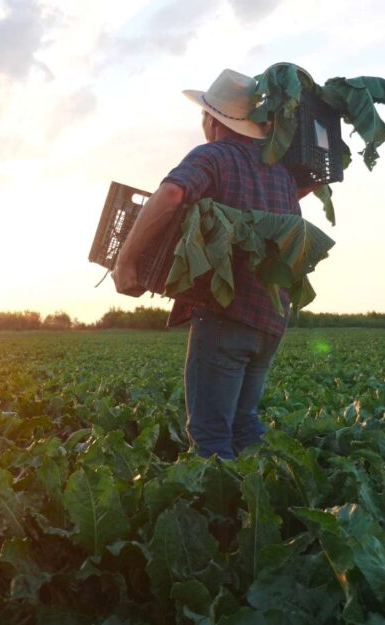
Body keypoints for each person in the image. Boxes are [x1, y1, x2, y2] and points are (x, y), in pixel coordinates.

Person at [112, 68, 306, 460]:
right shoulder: (280, 174)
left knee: (210, 435)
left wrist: (125, 262)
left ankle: (224, 518)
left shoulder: (214, 155)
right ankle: (261, 509)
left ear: (212, 119)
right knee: (243, 424)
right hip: (271, 318)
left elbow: (170, 195)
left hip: (227, 313)